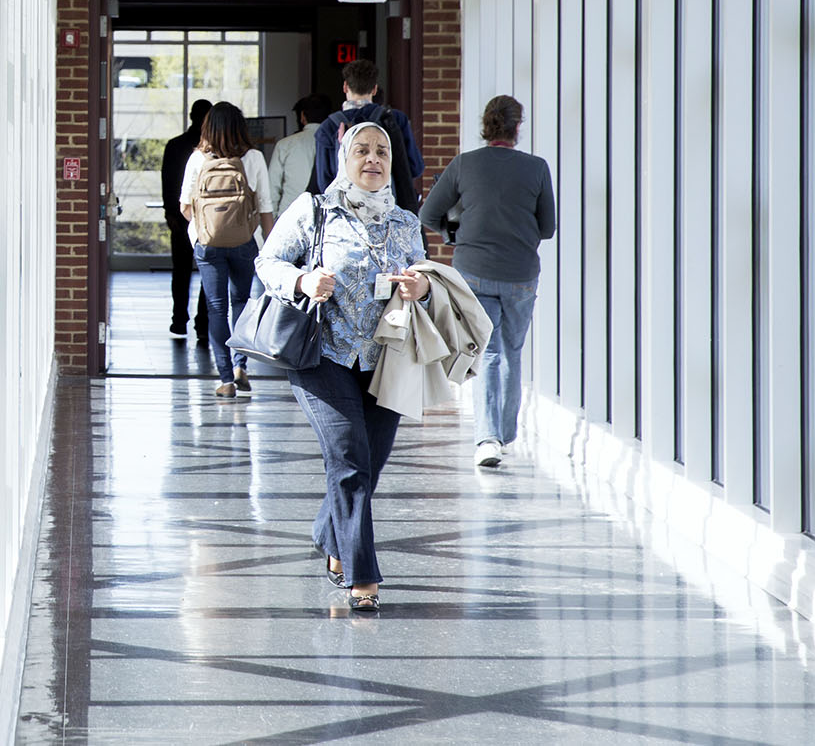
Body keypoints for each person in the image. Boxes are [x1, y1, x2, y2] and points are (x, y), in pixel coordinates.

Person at [257, 122, 429, 613]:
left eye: (381, 152)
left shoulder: (405, 222)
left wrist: (420, 287)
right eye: (362, 151)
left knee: (366, 466)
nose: (372, 159)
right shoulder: (313, 210)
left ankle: (328, 535)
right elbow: (267, 262)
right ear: (342, 158)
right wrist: (304, 281)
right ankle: (362, 575)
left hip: (385, 358)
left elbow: (423, 275)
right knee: (349, 458)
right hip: (321, 354)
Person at [418, 94, 557, 469]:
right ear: (517, 127)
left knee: (489, 352)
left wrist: (456, 232)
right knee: (510, 351)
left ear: (485, 125)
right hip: (521, 273)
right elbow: (547, 228)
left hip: (474, 270)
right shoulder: (537, 168)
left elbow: (429, 213)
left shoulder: (465, 165)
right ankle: (503, 434)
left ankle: (488, 439)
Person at [178, 103, 276, 398]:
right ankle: (240, 365)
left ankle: (224, 380)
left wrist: (210, 222)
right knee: (242, 303)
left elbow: (184, 207)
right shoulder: (254, 158)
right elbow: (265, 208)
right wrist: (270, 246)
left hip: (208, 244)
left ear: (208, 127)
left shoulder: (197, 159)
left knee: (216, 308)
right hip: (245, 242)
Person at [309, 60, 424, 212]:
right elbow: (415, 168)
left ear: (345, 87)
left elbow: (324, 182)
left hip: (346, 212)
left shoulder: (328, 127)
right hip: (388, 210)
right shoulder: (395, 120)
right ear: (375, 89)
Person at [161, 99, 212, 338]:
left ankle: (178, 320)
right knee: (207, 272)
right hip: (209, 220)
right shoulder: (213, 150)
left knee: (180, 271)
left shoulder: (174, 145)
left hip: (180, 218)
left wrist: (170, 213)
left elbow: (168, 182)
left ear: (191, 116)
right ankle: (203, 324)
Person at [267, 93, 331, 214]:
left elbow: (272, 189)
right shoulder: (336, 145)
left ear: (302, 116)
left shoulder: (285, 145)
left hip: (288, 215)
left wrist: (272, 223)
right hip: (325, 216)